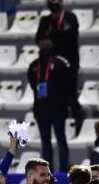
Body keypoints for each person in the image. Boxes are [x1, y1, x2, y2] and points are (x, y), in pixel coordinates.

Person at [28, 34, 82, 172]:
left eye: (47, 41)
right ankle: (47, 171)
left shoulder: (61, 63)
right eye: (41, 42)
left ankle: (63, 170)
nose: (44, 44)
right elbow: (33, 85)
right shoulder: (34, 65)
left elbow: (69, 85)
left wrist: (68, 103)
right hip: (41, 110)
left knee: (61, 140)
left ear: (52, 43)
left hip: (58, 109)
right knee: (45, 143)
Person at [35, 0, 80, 72]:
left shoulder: (70, 17)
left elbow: (69, 39)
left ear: (60, 2)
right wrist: (57, 36)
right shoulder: (44, 20)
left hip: (68, 59)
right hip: (49, 59)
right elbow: (38, 40)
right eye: (49, 1)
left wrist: (50, 36)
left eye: (54, 0)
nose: (51, 3)